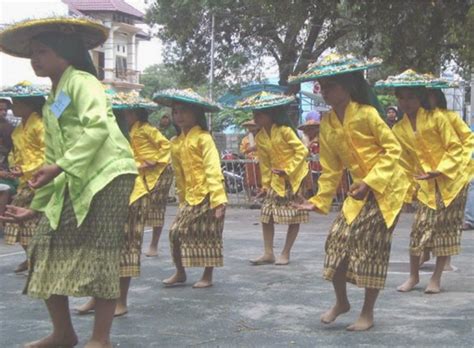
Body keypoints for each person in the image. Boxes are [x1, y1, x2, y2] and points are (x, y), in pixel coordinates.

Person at [0, 17, 138, 348]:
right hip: (74, 177)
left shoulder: (82, 82)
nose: (35, 59)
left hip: (109, 175)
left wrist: (60, 166)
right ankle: (64, 334)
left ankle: (100, 339)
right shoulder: (52, 99)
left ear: (66, 53)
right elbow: (54, 159)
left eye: (43, 51)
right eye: (33, 52)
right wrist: (36, 209)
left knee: (101, 250)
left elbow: (96, 129)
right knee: (42, 246)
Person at [290, 53, 409, 331]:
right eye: (321, 85)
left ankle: (367, 312)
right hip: (358, 195)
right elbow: (331, 168)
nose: (324, 90)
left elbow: (394, 149)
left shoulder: (367, 114)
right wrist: (318, 200)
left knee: (370, 249)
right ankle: (342, 302)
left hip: (386, 191)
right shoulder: (328, 123)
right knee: (335, 244)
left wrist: (370, 181)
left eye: (329, 85)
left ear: (347, 86)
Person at [375, 69, 471, 294]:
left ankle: (436, 278)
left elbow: (456, 146)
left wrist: (440, 170)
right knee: (419, 230)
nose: (406, 102)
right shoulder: (398, 129)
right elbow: (403, 162)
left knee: (445, 230)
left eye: (411, 97)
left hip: (451, 181)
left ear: (422, 98)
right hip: (425, 185)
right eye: (402, 97)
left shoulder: (438, 117)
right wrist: (407, 191)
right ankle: (413, 276)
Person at [153, 88, 227, 288]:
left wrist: (218, 200)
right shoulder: (175, 142)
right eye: (176, 111)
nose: (179, 116)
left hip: (209, 194)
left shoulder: (204, 137)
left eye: (184, 111)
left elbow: (213, 167)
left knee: (209, 234)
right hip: (190, 197)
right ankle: (180, 271)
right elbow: (179, 174)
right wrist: (182, 199)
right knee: (175, 232)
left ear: (196, 114)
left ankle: (207, 276)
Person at [238, 91, 309, 266]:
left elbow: (302, 150)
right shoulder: (260, 136)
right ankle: (268, 252)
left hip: (293, 178)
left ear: (271, 114)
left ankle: (285, 252)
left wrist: (288, 170)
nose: (255, 117)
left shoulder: (284, 130)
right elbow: (265, 162)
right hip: (275, 181)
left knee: (294, 215)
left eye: (259, 114)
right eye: (254, 114)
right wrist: (264, 185)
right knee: (266, 215)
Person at [1, 82, 47, 273]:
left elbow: (47, 154)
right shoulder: (20, 127)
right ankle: (32, 258)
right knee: (19, 222)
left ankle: (37, 260)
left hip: (40, 178)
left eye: (16, 103)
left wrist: (27, 168)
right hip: (23, 178)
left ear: (29, 105)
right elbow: (15, 152)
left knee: (25, 221)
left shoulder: (40, 125)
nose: (13, 107)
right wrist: (15, 166)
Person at [298, 112, 321, 197]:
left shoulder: (321, 137)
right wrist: (312, 142)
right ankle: (310, 191)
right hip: (309, 164)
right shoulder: (305, 137)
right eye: (309, 128)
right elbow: (303, 150)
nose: (311, 130)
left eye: (313, 128)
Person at [239, 119, 261, 198]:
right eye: (250, 127)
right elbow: (242, 151)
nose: (251, 129)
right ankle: (249, 198)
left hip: (261, 162)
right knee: (248, 181)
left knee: (260, 181)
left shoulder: (262, 138)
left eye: (253, 127)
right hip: (250, 162)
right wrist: (250, 149)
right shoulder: (245, 140)